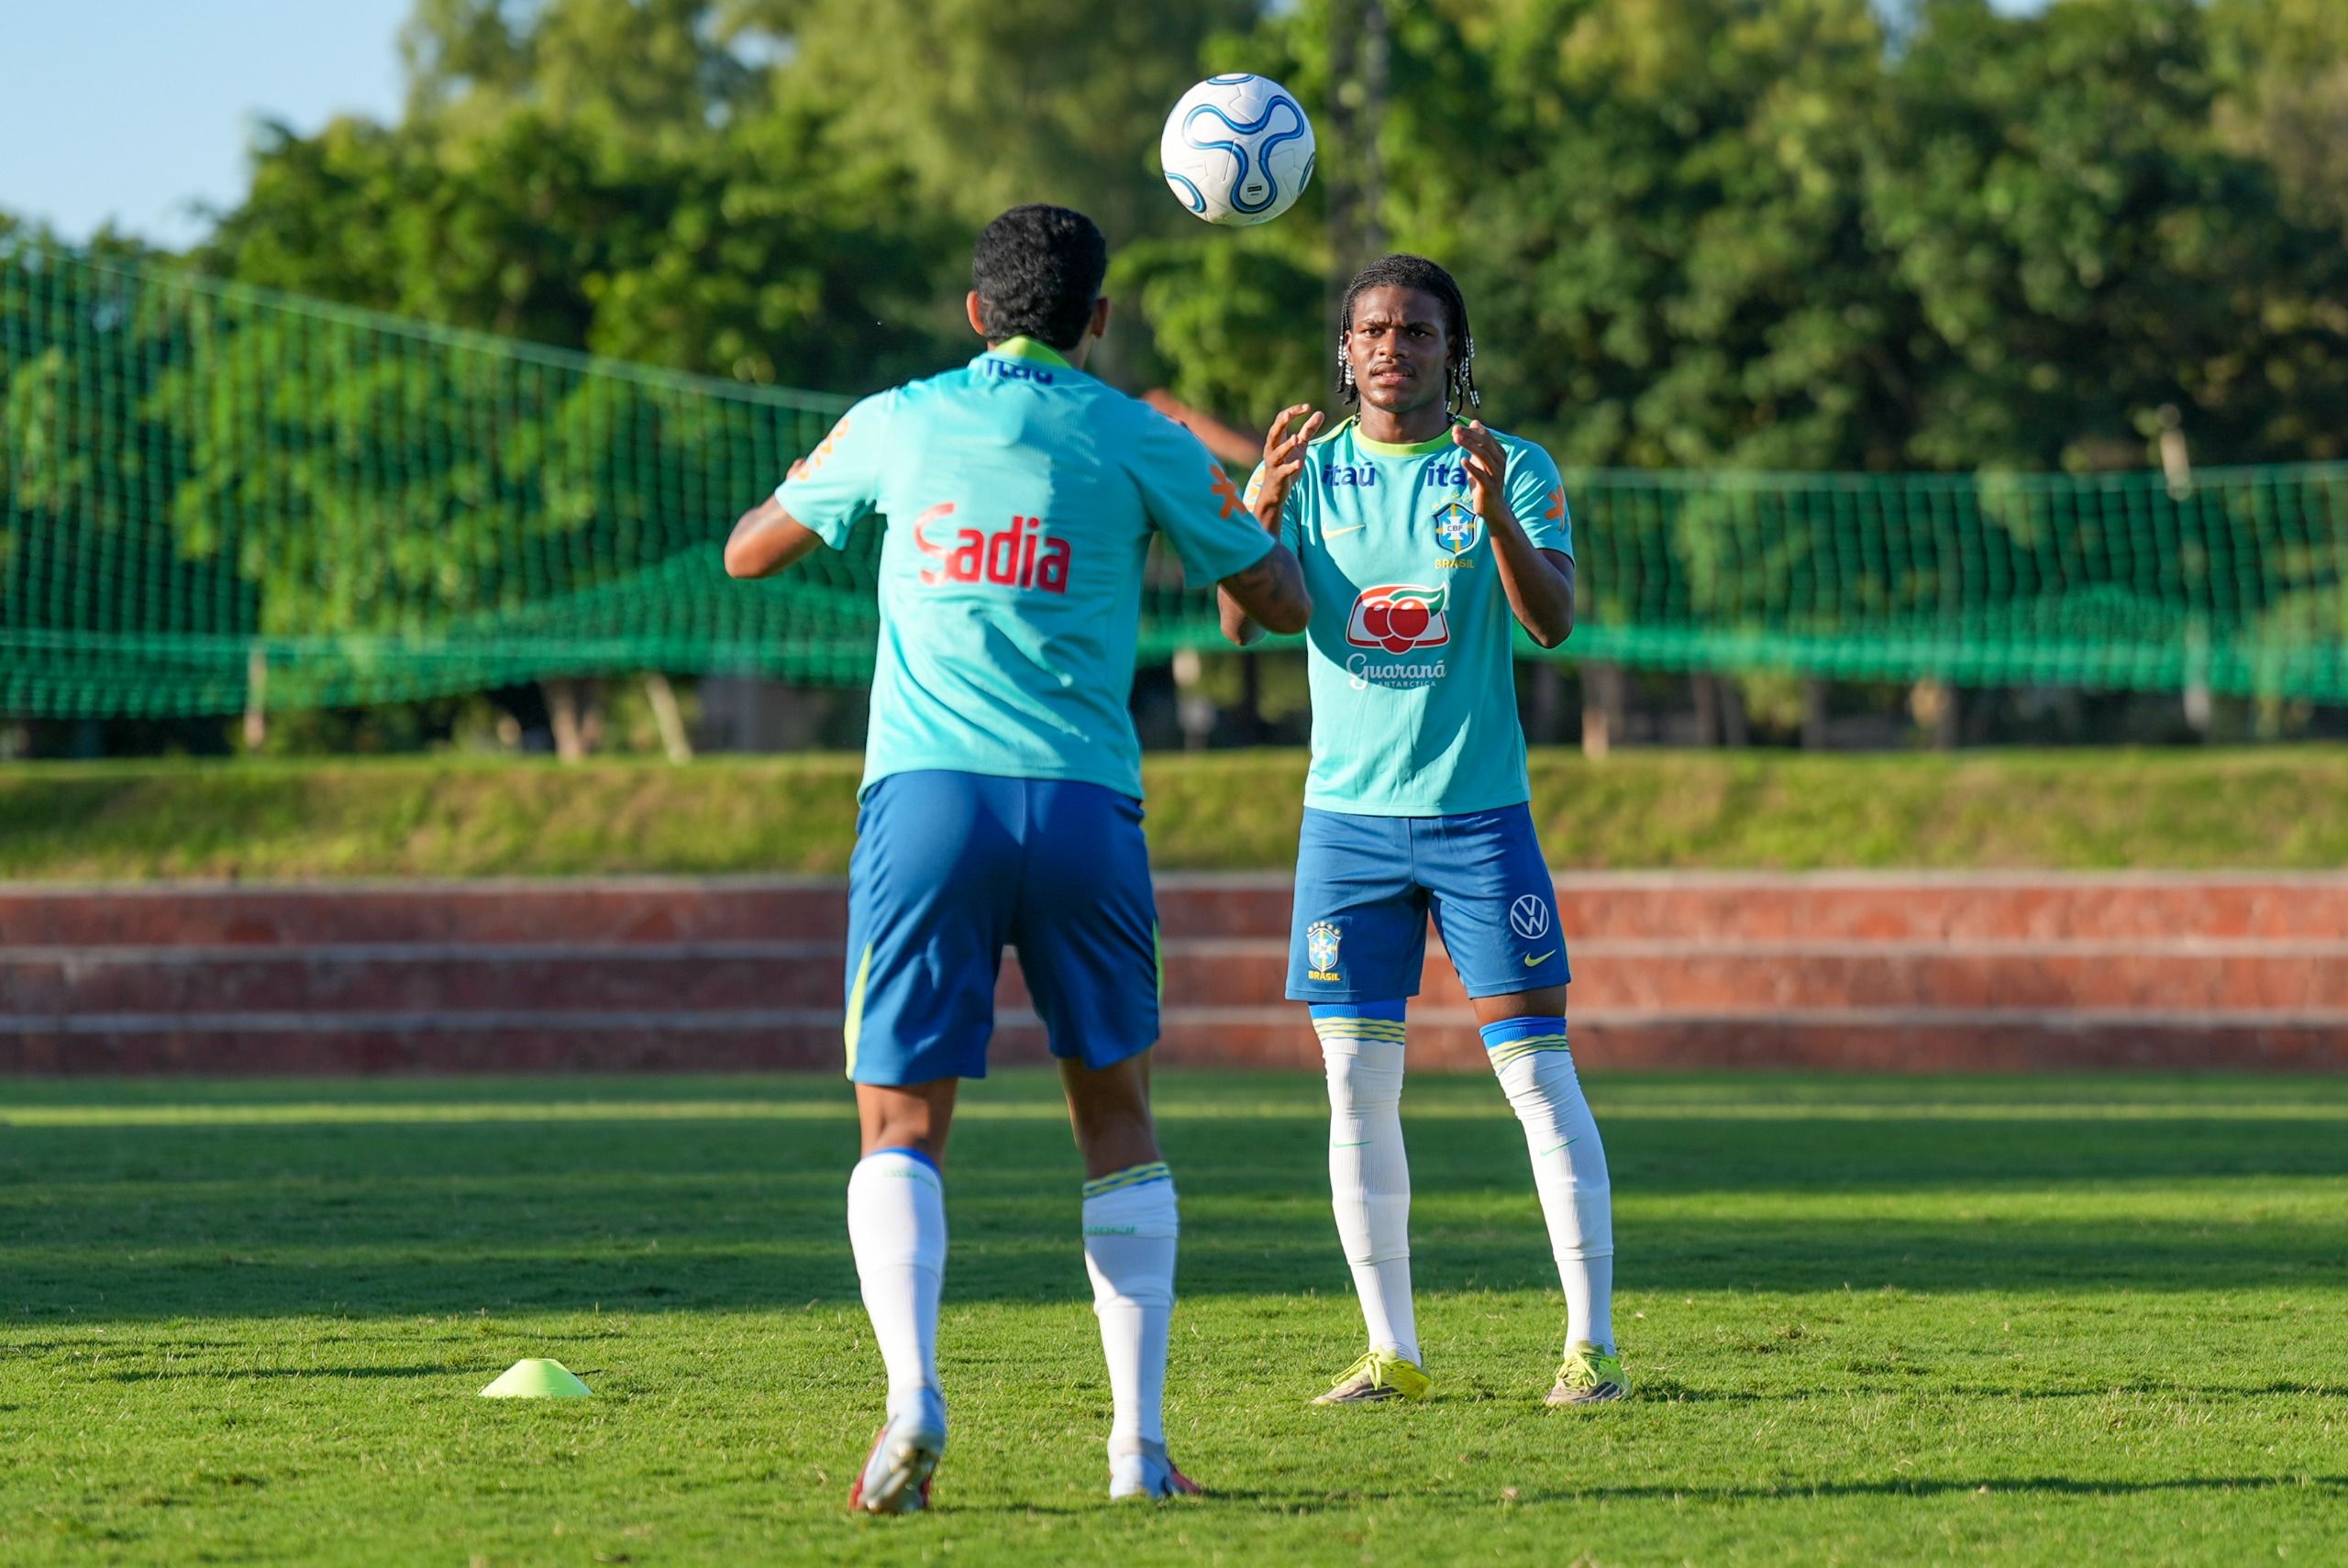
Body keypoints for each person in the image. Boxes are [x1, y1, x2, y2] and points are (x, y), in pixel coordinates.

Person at [725, 204, 1312, 1511]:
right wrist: (1248, 508)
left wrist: (832, 482)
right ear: (1097, 318)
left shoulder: (897, 418)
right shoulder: (1145, 436)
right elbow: (1278, 601)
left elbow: (749, 550)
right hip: (1084, 810)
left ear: (976, 312)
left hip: (928, 805)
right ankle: (1137, 1451)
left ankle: (911, 1400)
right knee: (1118, 1121)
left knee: (900, 1122)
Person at [1218, 254, 1627, 1409]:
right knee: (1355, 1086)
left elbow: (1552, 621)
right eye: (1373, 332)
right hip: (1345, 828)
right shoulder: (1305, 474)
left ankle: (1592, 1350)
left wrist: (1494, 514)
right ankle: (1390, 1352)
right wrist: (1256, 512)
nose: (1392, 349)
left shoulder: (1511, 467)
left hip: (1477, 819)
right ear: (1344, 353)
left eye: (1416, 332)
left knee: (1536, 1074)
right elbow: (1239, 629)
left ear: (1454, 354)